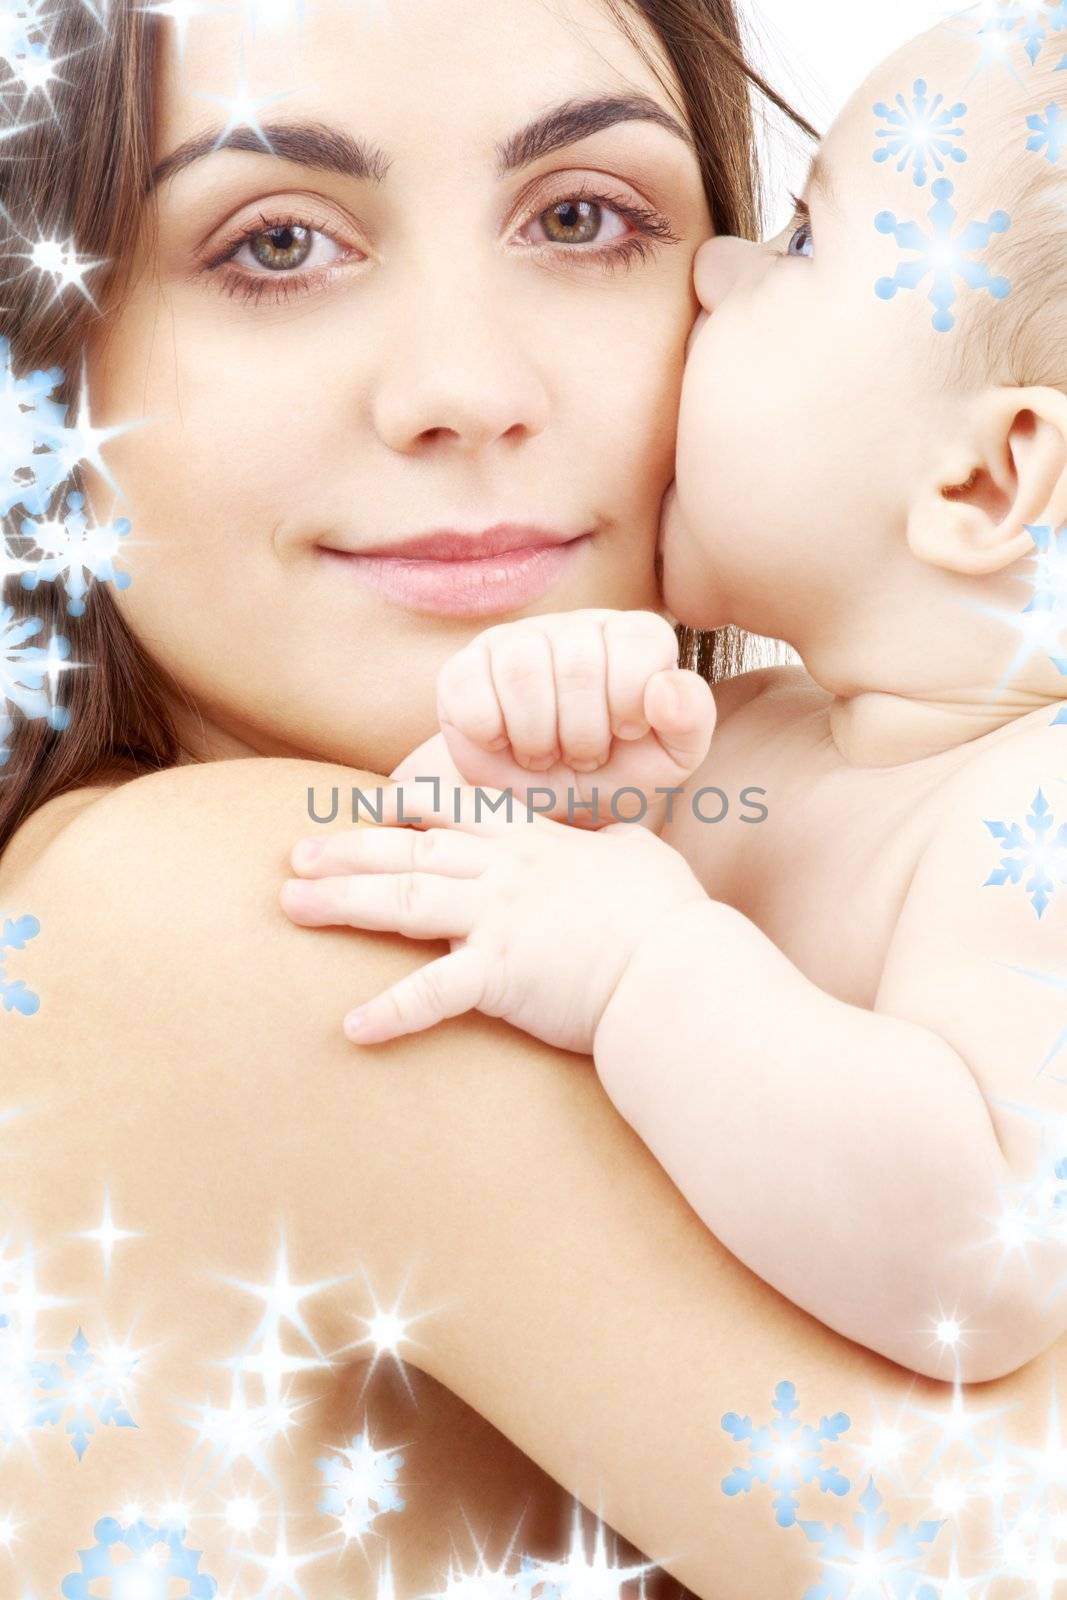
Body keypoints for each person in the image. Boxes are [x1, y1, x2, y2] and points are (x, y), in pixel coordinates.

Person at [0, 0, 1059, 1595]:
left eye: (582, 218)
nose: (465, 388)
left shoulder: (740, 799)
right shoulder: (200, 910)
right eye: (276, 244)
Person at [279, 14, 1067, 1389]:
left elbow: (991, 1263)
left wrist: (644, 963)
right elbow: (427, 892)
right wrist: (508, 765)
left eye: (809, 241)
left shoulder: (1035, 820)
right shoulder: (751, 731)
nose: (716, 264)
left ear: (982, 486)